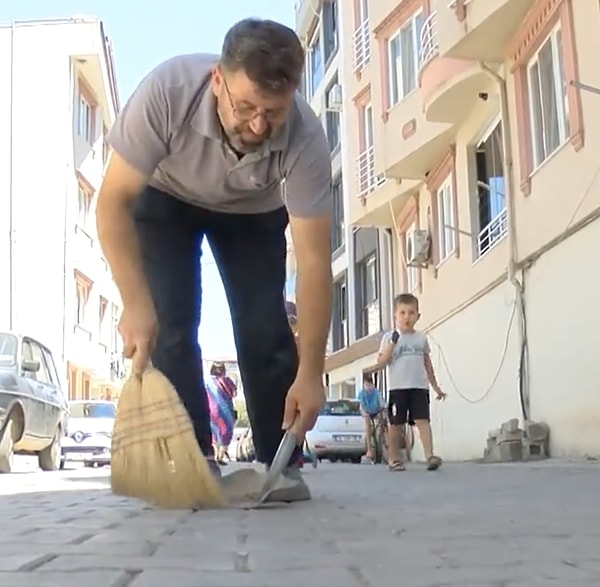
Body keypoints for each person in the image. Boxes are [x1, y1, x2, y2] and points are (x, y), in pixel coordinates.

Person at [96, 18, 333, 503]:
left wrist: (311, 372)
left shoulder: (306, 138)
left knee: (264, 325)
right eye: (245, 107)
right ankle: (192, 460)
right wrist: (134, 303)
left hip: (252, 210)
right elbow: (112, 202)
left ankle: (279, 459)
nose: (258, 126)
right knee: (171, 321)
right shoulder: (168, 92)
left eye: (273, 111)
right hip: (165, 197)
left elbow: (313, 263)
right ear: (217, 82)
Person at [376, 293, 446, 472]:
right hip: (398, 388)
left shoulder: (420, 338)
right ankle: (394, 459)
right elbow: (381, 362)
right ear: (395, 315)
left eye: (411, 312)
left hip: (419, 387)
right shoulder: (389, 338)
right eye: (402, 313)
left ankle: (429, 455)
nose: (407, 317)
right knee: (396, 423)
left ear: (417, 316)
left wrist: (435, 386)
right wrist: (392, 344)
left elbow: (427, 364)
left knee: (423, 420)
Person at [207, 362, 237, 464]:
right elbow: (234, 393)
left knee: (214, 434)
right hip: (224, 412)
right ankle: (219, 457)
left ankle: (216, 456)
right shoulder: (226, 381)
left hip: (210, 412)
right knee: (226, 433)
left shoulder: (207, 382)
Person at [357, 375, 385, 462]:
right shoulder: (361, 394)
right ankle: (369, 449)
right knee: (367, 423)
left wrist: (383, 412)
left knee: (384, 420)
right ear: (364, 385)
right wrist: (364, 413)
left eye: (370, 385)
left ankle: (383, 442)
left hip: (376, 411)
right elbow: (360, 406)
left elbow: (382, 404)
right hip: (367, 412)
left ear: (373, 385)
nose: (368, 387)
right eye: (366, 385)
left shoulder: (377, 393)